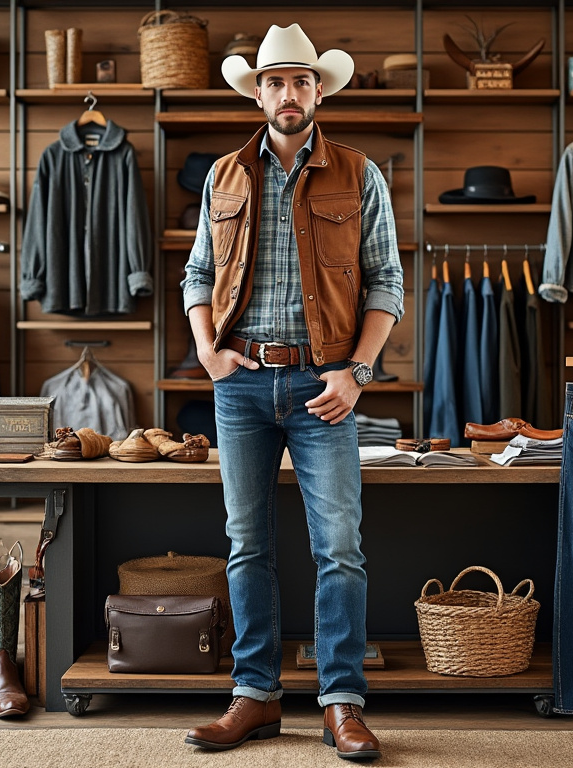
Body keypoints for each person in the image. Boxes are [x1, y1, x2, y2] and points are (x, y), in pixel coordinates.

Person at [180, 22, 404, 762]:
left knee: (339, 548)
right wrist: (206, 348)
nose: (287, 93)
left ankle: (341, 703)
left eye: (300, 82)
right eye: (274, 82)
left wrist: (356, 371)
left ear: (318, 91)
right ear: (258, 93)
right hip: (241, 384)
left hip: (323, 386)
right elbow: (198, 277)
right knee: (248, 546)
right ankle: (256, 697)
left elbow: (387, 283)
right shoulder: (224, 175)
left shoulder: (359, 172)